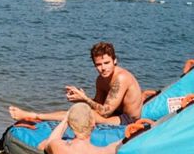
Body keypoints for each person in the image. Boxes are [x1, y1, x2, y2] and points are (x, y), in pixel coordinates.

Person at [9, 41, 143, 126]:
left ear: (115, 61)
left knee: (80, 114)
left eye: (107, 63)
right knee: (80, 110)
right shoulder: (100, 80)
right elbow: (98, 105)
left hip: (128, 120)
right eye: (98, 64)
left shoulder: (121, 78)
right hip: (114, 114)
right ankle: (39, 116)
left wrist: (84, 99)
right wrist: (82, 99)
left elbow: (105, 112)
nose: (103, 68)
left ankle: (33, 115)